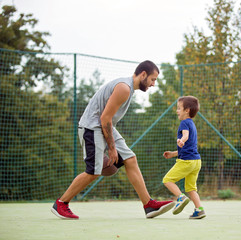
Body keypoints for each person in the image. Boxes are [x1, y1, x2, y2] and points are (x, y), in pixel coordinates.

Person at [51, 60, 175, 219]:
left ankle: (148, 205)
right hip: (92, 127)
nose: (153, 84)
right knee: (93, 172)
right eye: (153, 79)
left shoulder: (128, 89)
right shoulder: (124, 87)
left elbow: (107, 120)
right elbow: (105, 118)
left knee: (130, 159)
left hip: (104, 126)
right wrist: (112, 148)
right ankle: (61, 203)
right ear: (143, 74)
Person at [162, 96, 206, 219]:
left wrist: (181, 140)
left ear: (187, 110)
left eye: (179, 108)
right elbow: (188, 147)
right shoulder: (192, 124)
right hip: (196, 161)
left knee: (167, 180)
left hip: (186, 162)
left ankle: (181, 198)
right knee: (191, 188)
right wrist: (173, 153)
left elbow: (185, 136)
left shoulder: (184, 123)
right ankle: (199, 210)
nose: (177, 111)